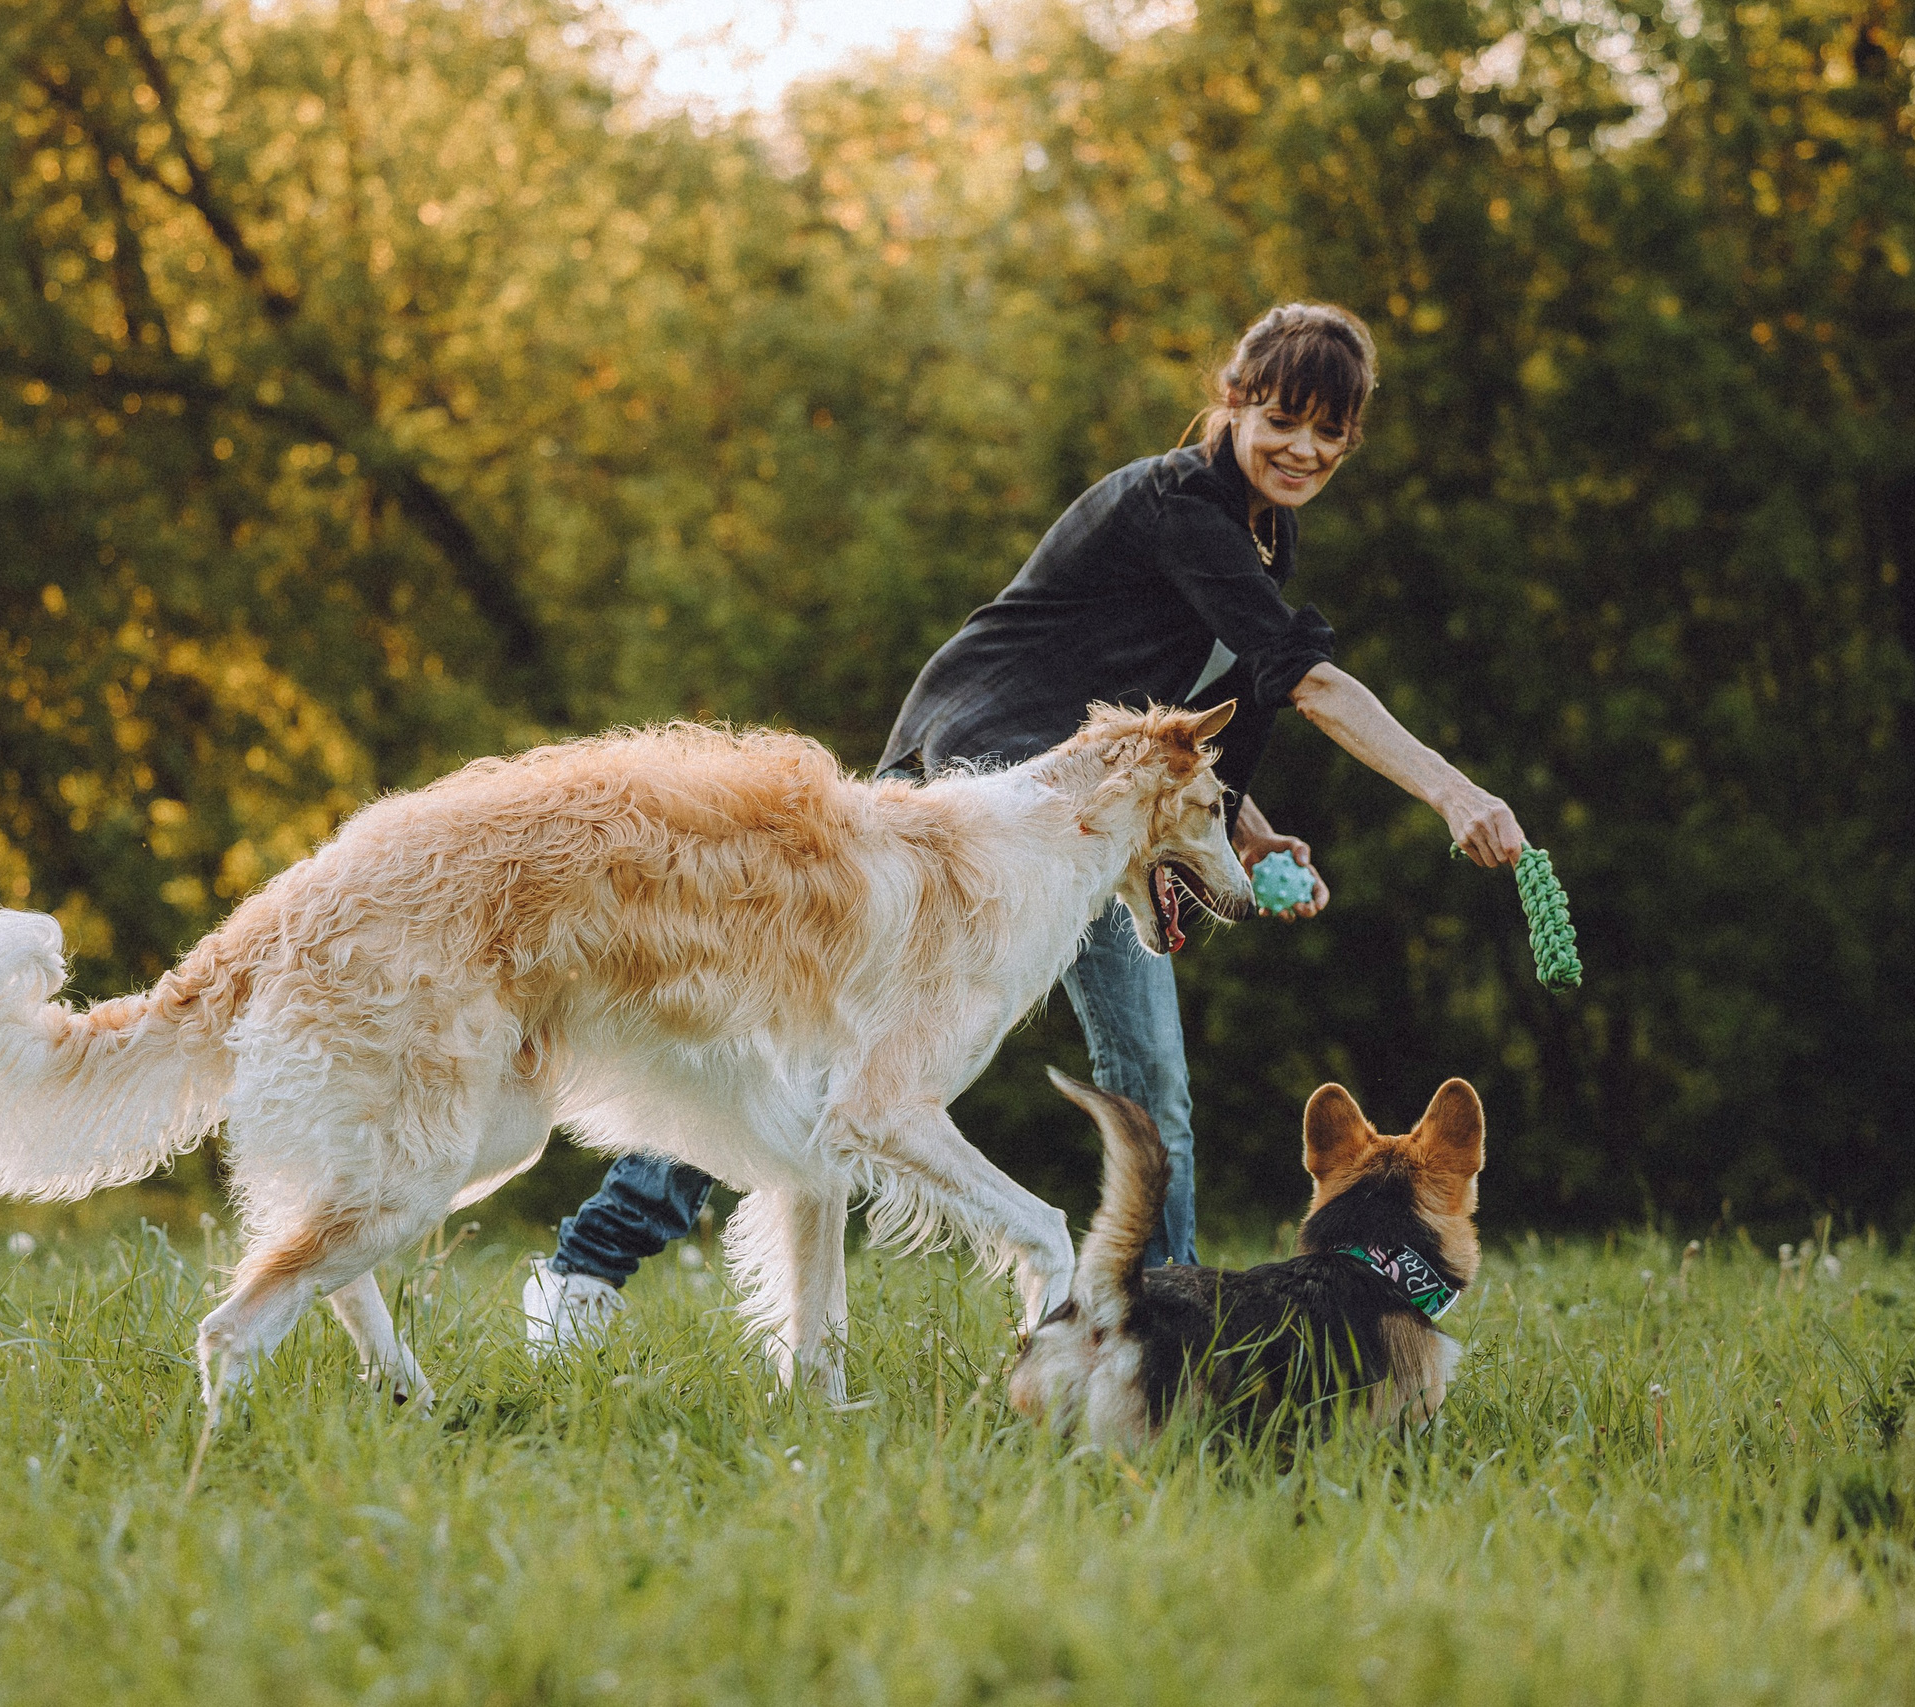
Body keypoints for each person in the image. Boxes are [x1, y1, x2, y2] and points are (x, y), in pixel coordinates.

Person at [523, 302, 1527, 1348]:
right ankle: (592, 1268)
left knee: (917, 1059)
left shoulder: (1262, 532)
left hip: (1073, 805)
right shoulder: (1182, 506)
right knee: (842, 1051)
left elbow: (1170, 725)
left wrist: (1240, 831)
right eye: (1282, 419)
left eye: (1330, 432)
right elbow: (1305, 682)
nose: (1303, 449)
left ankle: (1150, 1335)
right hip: (997, 790)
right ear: (1232, 401)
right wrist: (1455, 794)